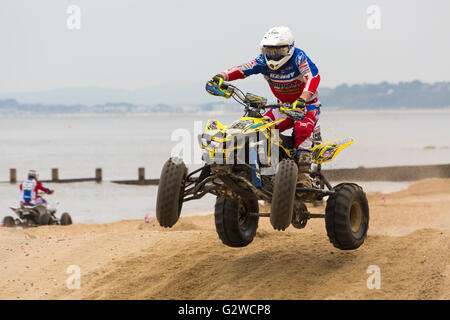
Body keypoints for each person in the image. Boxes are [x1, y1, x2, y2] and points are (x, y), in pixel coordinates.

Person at [210, 26, 321, 187]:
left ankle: (303, 175)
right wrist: (221, 76)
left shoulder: (299, 57)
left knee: (302, 130)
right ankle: (256, 166)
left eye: (278, 51)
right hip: (281, 107)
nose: (273, 56)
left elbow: (313, 77)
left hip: (306, 106)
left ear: (289, 48)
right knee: (257, 128)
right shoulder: (262, 61)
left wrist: (303, 99)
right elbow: (243, 69)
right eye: (268, 51)